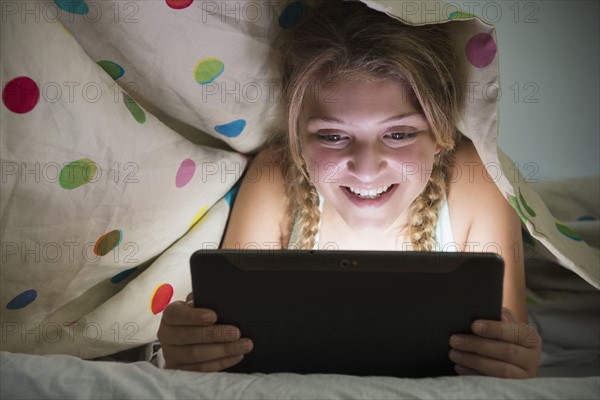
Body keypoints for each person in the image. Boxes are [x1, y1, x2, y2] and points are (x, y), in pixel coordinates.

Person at [158, 0, 542, 378]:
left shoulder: (473, 179)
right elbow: (224, 351)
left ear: (441, 137)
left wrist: (510, 359)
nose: (366, 168)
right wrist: (193, 348)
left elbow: (503, 345)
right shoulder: (274, 178)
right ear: (297, 143)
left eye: (399, 133)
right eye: (333, 135)